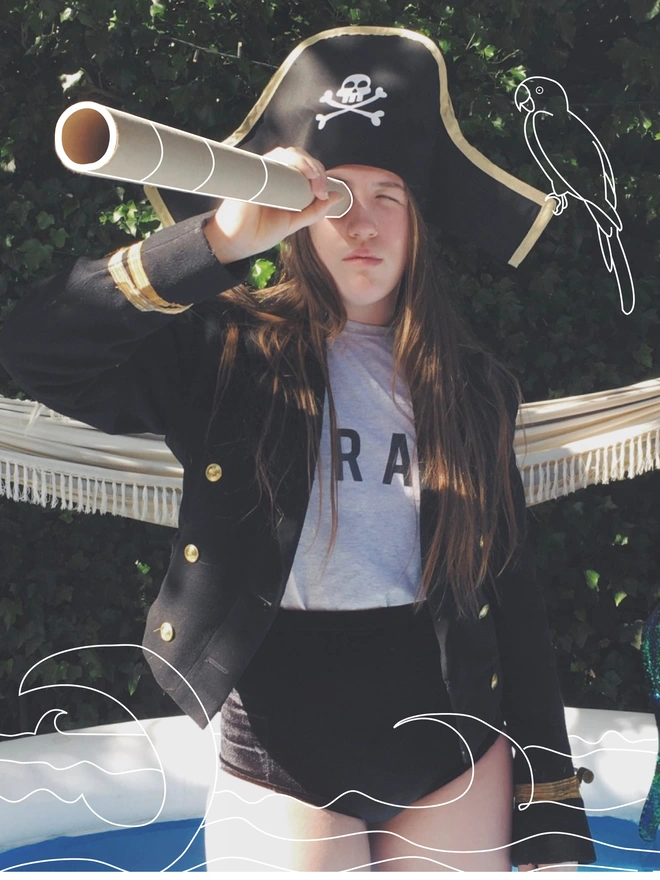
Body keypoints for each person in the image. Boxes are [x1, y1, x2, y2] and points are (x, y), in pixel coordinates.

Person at [0, 26, 597, 872]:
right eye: (336, 198)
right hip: (281, 739)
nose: (362, 223)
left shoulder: (473, 385)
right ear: (300, 222)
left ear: (421, 221)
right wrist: (217, 243)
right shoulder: (228, 352)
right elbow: (37, 349)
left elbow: (513, 590)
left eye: (388, 195)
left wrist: (549, 806)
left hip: (449, 738)